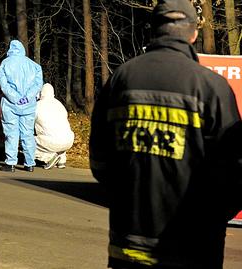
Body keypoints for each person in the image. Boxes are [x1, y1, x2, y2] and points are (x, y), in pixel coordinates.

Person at [89, 0, 242, 268]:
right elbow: (233, 175)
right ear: (194, 34)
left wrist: (130, 200)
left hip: (129, 246)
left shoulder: (121, 78)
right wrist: (212, 220)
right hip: (193, 250)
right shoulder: (212, 88)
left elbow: (100, 162)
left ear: (153, 31)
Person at [0, 40, 43, 172]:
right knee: (28, 133)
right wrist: (27, 97)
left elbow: (3, 83)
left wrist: (14, 97)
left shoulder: (5, 64)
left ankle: (10, 163)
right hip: (28, 105)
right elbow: (38, 84)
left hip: (10, 105)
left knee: (11, 133)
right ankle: (30, 163)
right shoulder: (34, 66)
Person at [34, 83, 74, 169]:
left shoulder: (37, 106)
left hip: (52, 141)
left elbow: (29, 122)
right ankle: (61, 161)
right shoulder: (59, 104)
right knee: (60, 133)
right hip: (69, 140)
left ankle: (48, 158)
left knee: (27, 142)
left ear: (41, 93)